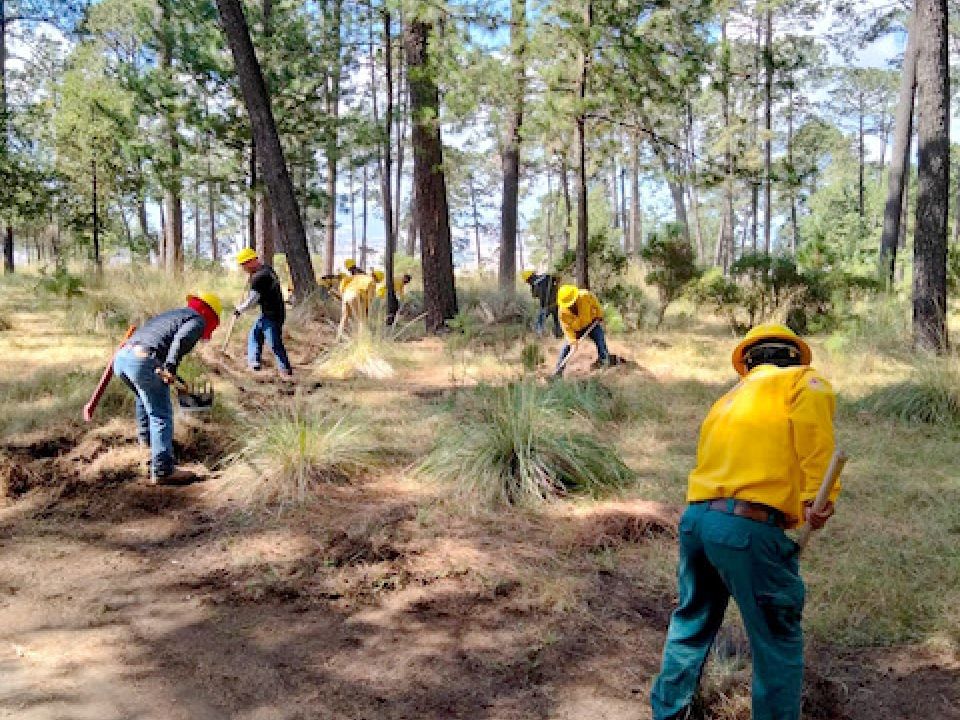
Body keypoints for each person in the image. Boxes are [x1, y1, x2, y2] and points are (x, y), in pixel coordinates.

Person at [650, 323, 839, 720]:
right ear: (793, 356)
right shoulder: (805, 382)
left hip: (697, 522)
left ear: (749, 363)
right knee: (777, 639)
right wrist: (817, 499)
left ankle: (667, 712)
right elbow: (816, 443)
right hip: (747, 530)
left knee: (691, 622)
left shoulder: (726, 400)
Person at [113, 292, 221, 485]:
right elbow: (180, 340)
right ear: (210, 315)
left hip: (122, 359)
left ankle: (146, 445)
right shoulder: (197, 320)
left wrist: (171, 372)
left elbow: (160, 341)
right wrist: (170, 368)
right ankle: (163, 469)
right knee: (160, 414)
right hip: (142, 361)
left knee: (144, 398)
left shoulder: (176, 314)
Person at [234, 248, 293, 377]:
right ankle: (254, 363)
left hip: (272, 315)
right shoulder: (267, 270)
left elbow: (252, 301)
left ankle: (285, 371)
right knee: (255, 335)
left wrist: (239, 309)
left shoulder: (259, 277)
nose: (243, 268)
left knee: (274, 344)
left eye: (243, 265)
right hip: (272, 312)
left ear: (250, 262)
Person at [553, 284, 610, 377]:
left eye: (571, 302)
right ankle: (559, 370)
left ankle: (604, 361)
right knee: (566, 348)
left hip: (591, 323)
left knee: (600, 339)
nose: (570, 305)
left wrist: (599, 315)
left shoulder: (585, 296)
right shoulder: (562, 313)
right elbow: (567, 328)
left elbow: (595, 304)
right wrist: (572, 341)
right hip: (576, 330)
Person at [337, 268, 378, 341]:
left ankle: (338, 338)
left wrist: (342, 294)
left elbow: (343, 284)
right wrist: (366, 309)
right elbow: (369, 298)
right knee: (361, 320)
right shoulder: (371, 281)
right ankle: (361, 341)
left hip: (346, 294)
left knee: (344, 317)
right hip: (356, 295)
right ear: (376, 278)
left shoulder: (355, 277)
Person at [522, 269, 561, 338]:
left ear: (529, 278)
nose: (528, 283)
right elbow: (558, 278)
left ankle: (539, 336)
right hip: (556, 303)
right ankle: (559, 334)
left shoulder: (536, 284)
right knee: (557, 320)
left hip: (547, 306)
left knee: (540, 322)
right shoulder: (546, 277)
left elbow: (534, 296)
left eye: (528, 281)